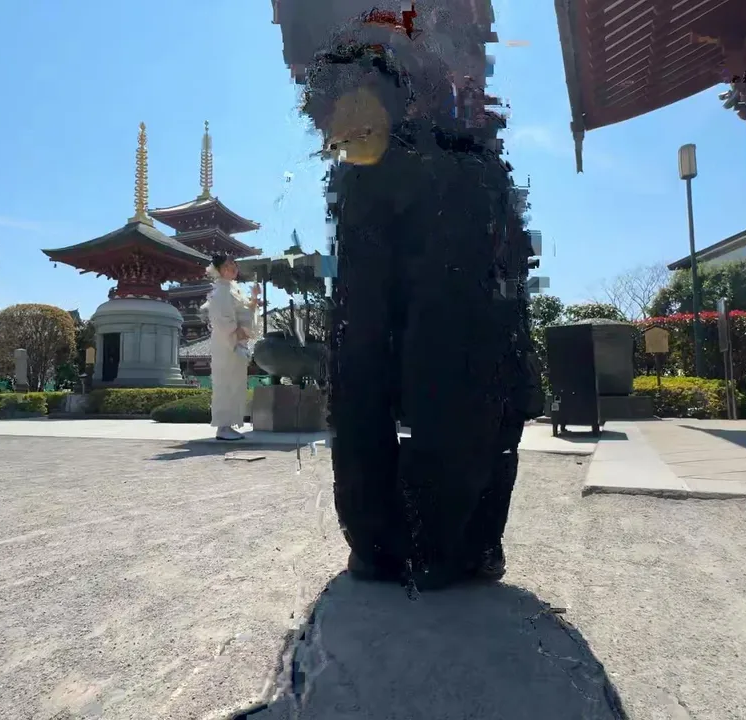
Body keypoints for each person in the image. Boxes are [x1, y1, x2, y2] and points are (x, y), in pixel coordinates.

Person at [303, 24, 542, 590]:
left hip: (389, 204)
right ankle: (451, 546)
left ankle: (376, 545)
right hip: (462, 229)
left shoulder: (360, 167)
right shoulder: (476, 163)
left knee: (363, 367)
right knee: (462, 373)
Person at [201, 254, 261, 441]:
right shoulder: (220, 291)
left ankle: (229, 425)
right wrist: (238, 332)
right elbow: (221, 320)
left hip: (236, 342)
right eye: (227, 265)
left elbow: (246, 310)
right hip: (226, 343)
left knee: (235, 383)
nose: (233, 267)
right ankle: (222, 426)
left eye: (234, 264)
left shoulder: (233, 289)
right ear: (219, 270)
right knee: (225, 383)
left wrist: (254, 297)